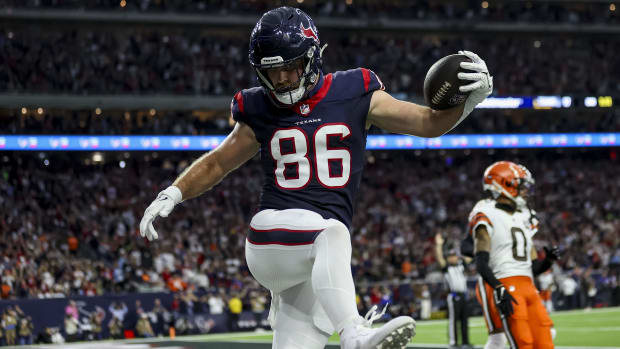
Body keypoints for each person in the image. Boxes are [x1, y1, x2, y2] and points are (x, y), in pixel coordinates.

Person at [139, 6, 492, 349]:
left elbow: (427, 122)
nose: (280, 79)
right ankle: (353, 333)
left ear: (311, 57)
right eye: (271, 71)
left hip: (313, 261)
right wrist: (174, 192)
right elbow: (218, 163)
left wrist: (468, 102)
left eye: (289, 68)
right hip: (271, 238)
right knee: (333, 232)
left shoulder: (354, 90)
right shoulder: (259, 106)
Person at [469, 161, 560, 349]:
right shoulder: (486, 212)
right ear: (505, 183)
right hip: (507, 284)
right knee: (523, 342)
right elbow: (481, 262)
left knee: (545, 340)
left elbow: (532, 268)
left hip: (528, 286)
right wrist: (498, 288)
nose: (526, 191)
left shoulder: (521, 216)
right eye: (521, 185)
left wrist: (548, 261)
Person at [435, 233, 472, 349]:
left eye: (454, 256)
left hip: (463, 296)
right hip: (453, 296)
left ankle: (465, 342)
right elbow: (439, 258)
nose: (452, 258)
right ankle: (453, 342)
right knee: (453, 321)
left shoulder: (461, 265)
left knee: (465, 321)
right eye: (450, 256)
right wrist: (438, 245)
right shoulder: (447, 267)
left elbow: (470, 257)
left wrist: (467, 245)